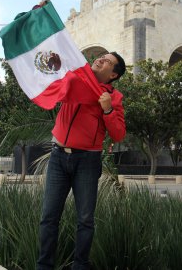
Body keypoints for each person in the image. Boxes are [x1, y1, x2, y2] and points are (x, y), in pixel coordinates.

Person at [36, 50, 126, 270]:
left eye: (107, 61)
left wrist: (107, 110)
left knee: (85, 220)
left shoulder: (114, 98)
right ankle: (44, 266)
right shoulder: (75, 77)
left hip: (87, 161)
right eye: (101, 56)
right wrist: (55, 63)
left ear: (113, 75)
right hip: (58, 156)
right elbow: (56, 80)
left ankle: (80, 266)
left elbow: (118, 134)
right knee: (49, 217)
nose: (100, 59)